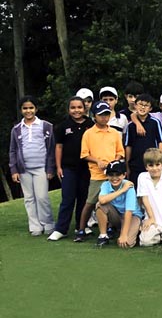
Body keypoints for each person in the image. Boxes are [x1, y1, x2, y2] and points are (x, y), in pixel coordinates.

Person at [76, 101, 125, 242]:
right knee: (90, 202)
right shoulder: (88, 134)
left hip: (113, 175)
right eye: (101, 115)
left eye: (107, 114)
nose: (104, 117)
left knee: (112, 202)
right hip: (97, 175)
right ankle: (81, 229)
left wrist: (113, 163)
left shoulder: (114, 133)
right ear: (94, 116)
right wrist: (98, 161)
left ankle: (109, 228)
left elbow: (120, 152)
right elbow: (84, 154)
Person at [48, 97, 94, 241]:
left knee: (83, 198)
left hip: (86, 168)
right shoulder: (63, 126)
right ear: (68, 109)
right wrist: (59, 167)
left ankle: (81, 226)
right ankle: (61, 229)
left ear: (84, 108)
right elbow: (59, 147)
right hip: (68, 168)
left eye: (79, 107)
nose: (76, 110)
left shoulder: (91, 124)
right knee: (67, 199)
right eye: (73, 108)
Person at [9, 95, 56, 236]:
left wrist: (50, 168)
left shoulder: (46, 126)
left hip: (41, 167)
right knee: (29, 198)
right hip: (24, 169)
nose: (28, 111)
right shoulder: (16, 129)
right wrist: (14, 170)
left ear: (36, 109)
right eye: (25, 108)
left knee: (42, 197)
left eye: (31, 108)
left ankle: (47, 223)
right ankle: (35, 226)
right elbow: (12, 150)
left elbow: (52, 149)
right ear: (21, 110)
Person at [94, 160, 143, 248]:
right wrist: (122, 190)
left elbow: (129, 212)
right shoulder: (106, 184)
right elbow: (102, 200)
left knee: (127, 244)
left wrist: (124, 235)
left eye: (118, 175)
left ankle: (133, 231)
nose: (114, 178)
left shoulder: (129, 186)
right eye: (111, 175)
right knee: (100, 205)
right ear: (107, 175)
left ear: (124, 175)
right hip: (117, 216)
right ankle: (103, 236)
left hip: (132, 216)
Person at [137, 148, 162, 246]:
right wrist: (151, 218)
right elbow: (144, 199)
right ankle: (157, 234)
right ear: (146, 167)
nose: (154, 168)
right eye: (151, 165)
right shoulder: (142, 177)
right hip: (152, 218)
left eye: (157, 165)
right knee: (145, 242)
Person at [124, 93, 162, 187]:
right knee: (135, 191)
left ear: (150, 109)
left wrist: (160, 160)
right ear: (135, 105)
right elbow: (128, 145)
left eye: (146, 105)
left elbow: (160, 141)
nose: (143, 107)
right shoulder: (130, 126)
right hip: (135, 165)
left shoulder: (155, 122)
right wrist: (127, 165)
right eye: (140, 104)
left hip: (152, 164)